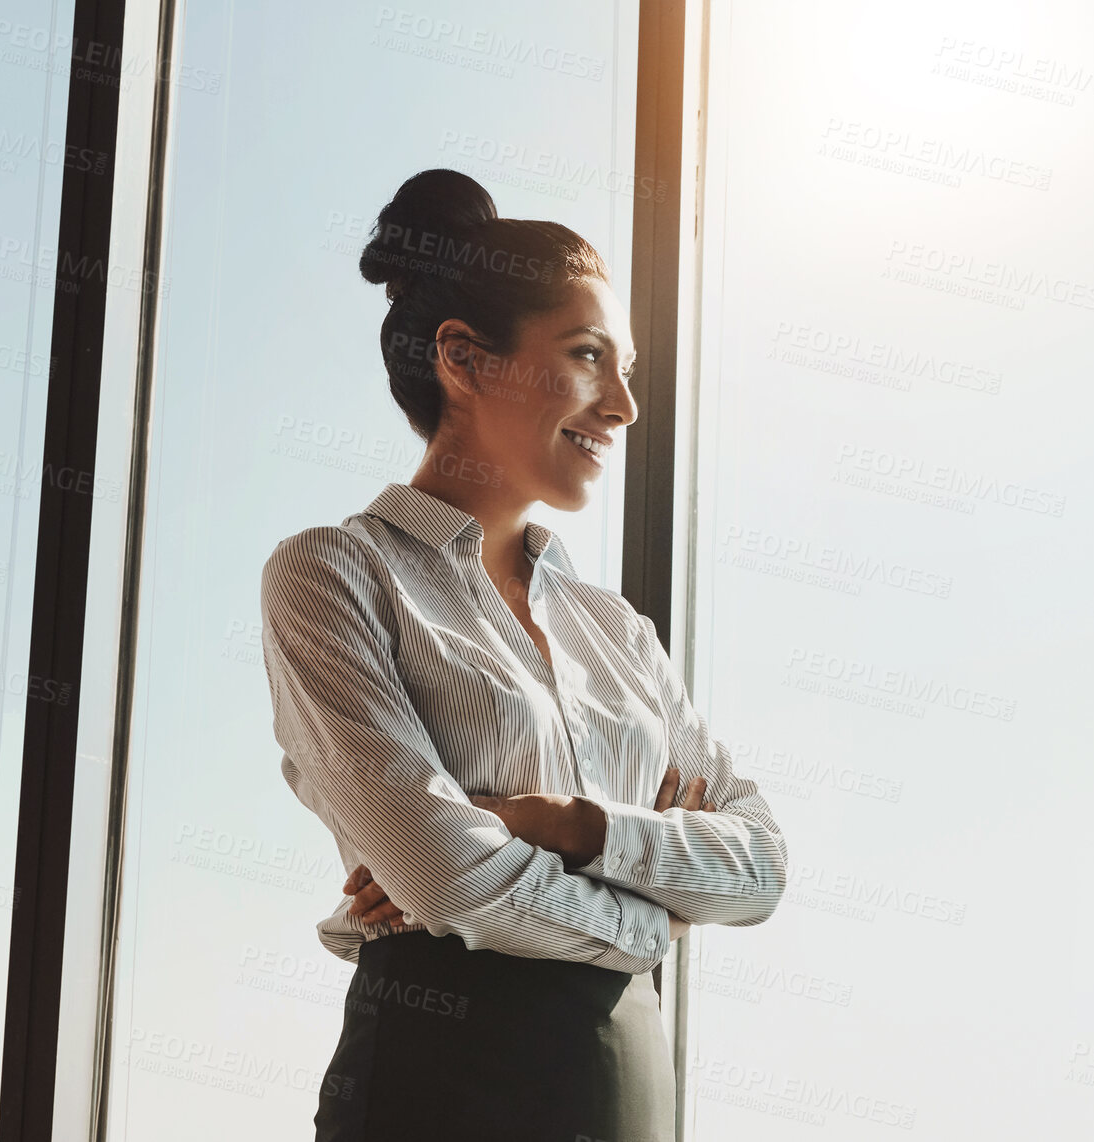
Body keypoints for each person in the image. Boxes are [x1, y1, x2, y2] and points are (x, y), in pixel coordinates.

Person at [258, 168, 787, 1141]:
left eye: (626, 367)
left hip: (626, 1084)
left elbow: (757, 864)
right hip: (435, 1083)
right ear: (463, 358)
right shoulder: (336, 574)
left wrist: (567, 824)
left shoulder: (616, 631)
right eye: (589, 357)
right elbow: (451, 878)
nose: (624, 404)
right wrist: (658, 914)